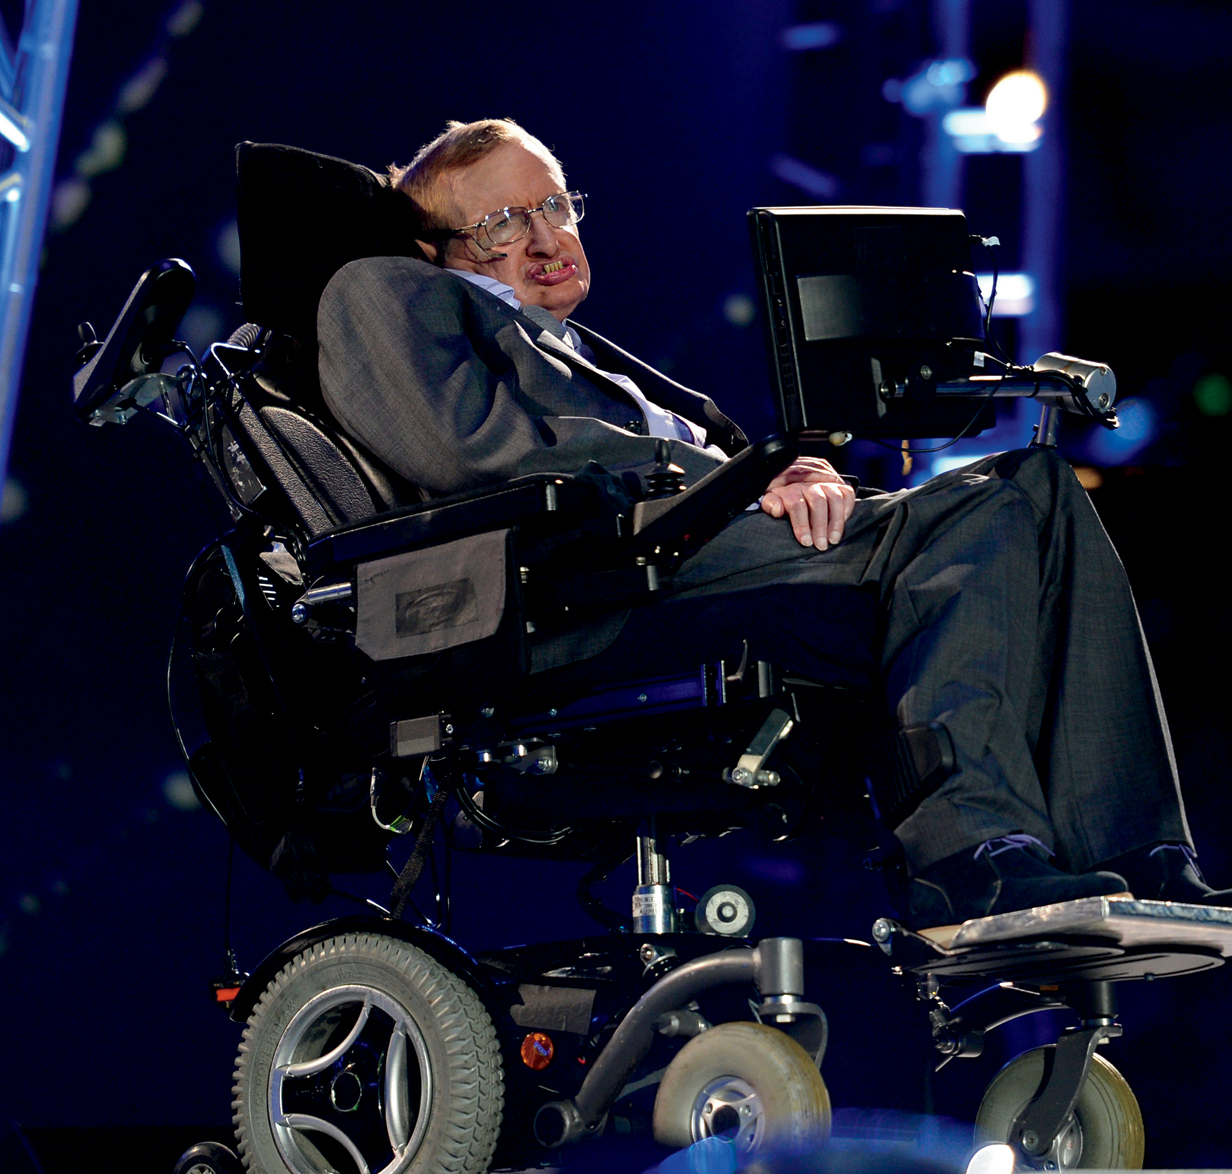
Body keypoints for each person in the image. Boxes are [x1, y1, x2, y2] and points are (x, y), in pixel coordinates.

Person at [316, 118, 1227, 928]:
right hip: (584, 578)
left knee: (1042, 494)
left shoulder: (579, 353)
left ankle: (1141, 857)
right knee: (998, 502)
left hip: (687, 535)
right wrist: (734, 479)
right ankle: (968, 859)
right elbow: (475, 453)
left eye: (554, 205)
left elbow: (691, 452)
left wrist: (788, 469)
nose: (547, 237)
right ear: (439, 249)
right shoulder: (386, 291)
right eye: (502, 224)